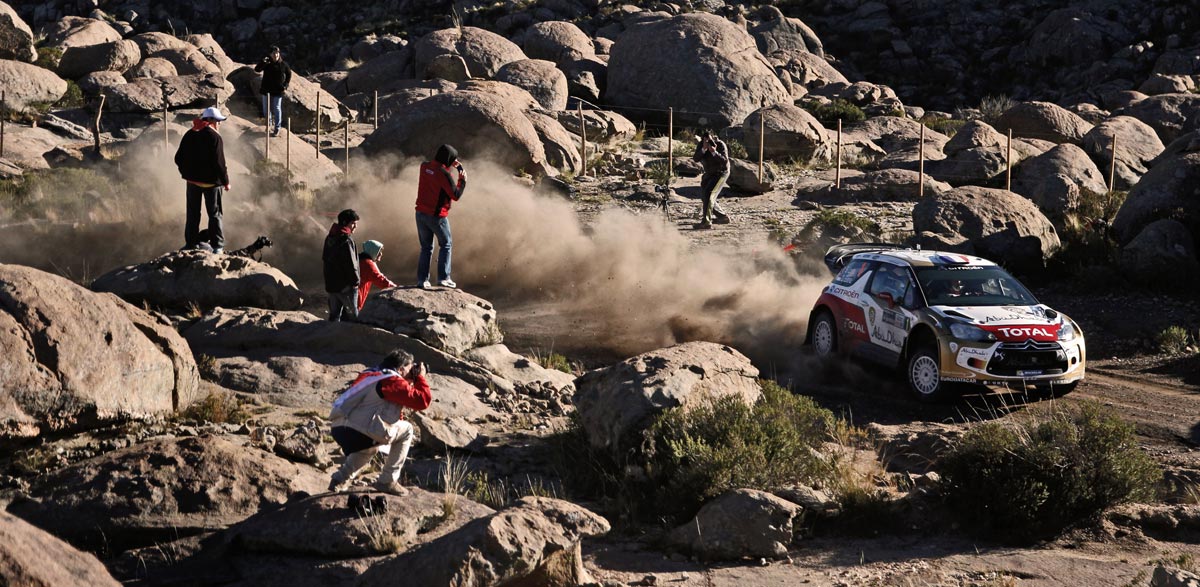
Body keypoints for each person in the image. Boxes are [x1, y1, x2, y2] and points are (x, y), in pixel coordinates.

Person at [328, 349, 431, 495]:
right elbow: (422, 401)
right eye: (409, 368)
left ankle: (340, 479)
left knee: (371, 445)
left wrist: (409, 380)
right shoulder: (391, 380)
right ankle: (387, 480)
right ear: (401, 369)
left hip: (339, 428)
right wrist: (420, 377)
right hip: (362, 428)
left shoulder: (370, 375)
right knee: (407, 429)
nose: (412, 371)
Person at [175, 106, 230, 253]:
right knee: (215, 214)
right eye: (218, 120)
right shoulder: (215, 137)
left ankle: (190, 244)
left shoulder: (190, 134)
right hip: (212, 184)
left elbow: (178, 158)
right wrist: (226, 182)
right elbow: (219, 163)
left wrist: (186, 174)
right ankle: (217, 246)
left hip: (192, 183)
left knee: (193, 213)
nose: (220, 123)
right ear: (211, 121)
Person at [415, 144, 467, 289]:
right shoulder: (444, 173)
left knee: (426, 248)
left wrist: (450, 165)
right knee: (446, 244)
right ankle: (444, 278)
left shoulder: (424, 167)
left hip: (420, 213)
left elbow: (437, 175)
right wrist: (462, 180)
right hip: (437, 216)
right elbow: (455, 194)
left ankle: (422, 280)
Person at [324, 209, 360, 321]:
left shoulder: (330, 237)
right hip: (346, 287)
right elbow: (351, 264)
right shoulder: (346, 240)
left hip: (332, 286)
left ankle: (330, 338)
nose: (355, 226)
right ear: (345, 223)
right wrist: (356, 282)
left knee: (334, 317)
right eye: (353, 223)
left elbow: (325, 259)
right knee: (352, 318)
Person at [691, 130, 732, 229]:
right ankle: (722, 217)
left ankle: (706, 222)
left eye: (709, 139)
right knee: (705, 195)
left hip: (721, 173)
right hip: (709, 173)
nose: (708, 141)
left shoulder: (720, 144)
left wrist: (714, 152)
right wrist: (704, 149)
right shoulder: (701, 145)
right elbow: (696, 158)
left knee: (709, 194)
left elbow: (724, 161)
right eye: (705, 140)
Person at [254, 45, 292, 137]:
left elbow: (289, 74)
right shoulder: (267, 63)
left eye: (277, 53)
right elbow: (257, 69)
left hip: (278, 90)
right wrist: (262, 62)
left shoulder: (283, 64)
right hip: (266, 90)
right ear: (270, 54)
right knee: (266, 109)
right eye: (274, 53)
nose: (276, 55)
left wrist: (285, 85)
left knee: (277, 108)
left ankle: (277, 128)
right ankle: (268, 125)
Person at [358, 239, 397, 311]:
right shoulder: (368, 264)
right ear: (372, 250)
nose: (381, 254)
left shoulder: (359, 259)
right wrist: (397, 288)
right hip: (354, 301)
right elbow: (382, 281)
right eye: (379, 251)